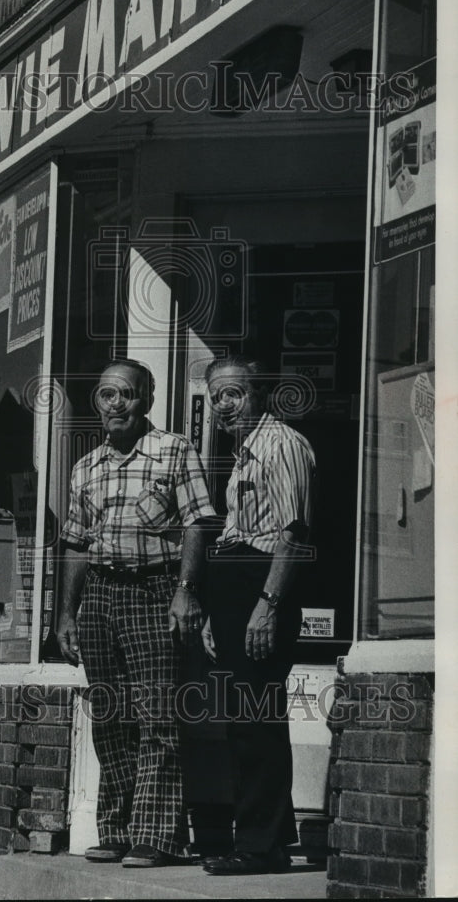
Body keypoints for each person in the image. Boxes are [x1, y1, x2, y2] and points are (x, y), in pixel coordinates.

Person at [56, 359, 216, 868]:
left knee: (156, 717)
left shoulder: (174, 450)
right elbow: (76, 545)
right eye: (106, 395)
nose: (115, 404)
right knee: (108, 716)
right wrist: (67, 614)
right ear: (96, 404)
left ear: (146, 399)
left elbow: (197, 525)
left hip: (155, 589)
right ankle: (116, 829)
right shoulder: (86, 467)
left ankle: (156, 836)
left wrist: (186, 591)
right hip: (100, 596)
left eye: (125, 394)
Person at [200, 355, 316, 876]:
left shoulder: (282, 445)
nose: (225, 404)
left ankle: (260, 846)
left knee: (257, 721)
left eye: (235, 393)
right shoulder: (244, 453)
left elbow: (293, 534)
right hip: (234, 588)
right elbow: (233, 531)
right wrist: (212, 609)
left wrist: (266, 607)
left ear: (260, 393)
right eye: (217, 395)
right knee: (242, 722)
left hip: (261, 587)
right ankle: (266, 836)